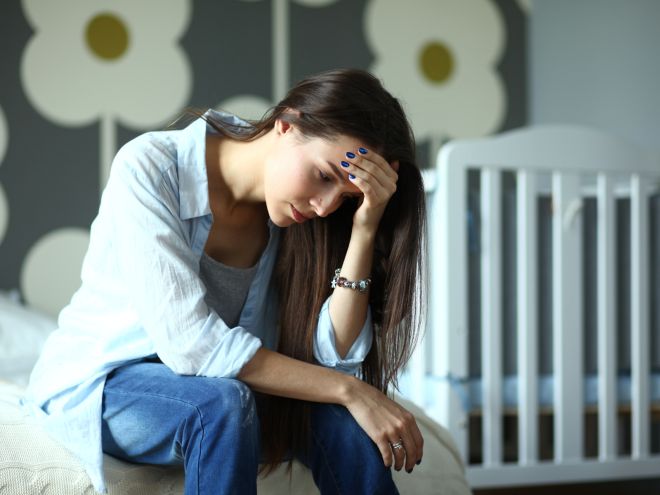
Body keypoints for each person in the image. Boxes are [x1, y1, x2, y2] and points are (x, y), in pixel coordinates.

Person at [23, 68, 427, 494]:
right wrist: (352, 390)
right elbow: (191, 345)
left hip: (232, 389)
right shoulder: (152, 167)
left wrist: (364, 227)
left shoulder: (305, 219)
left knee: (344, 423)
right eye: (325, 175)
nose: (326, 206)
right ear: (287, 124)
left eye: (346, 197)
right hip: (110, 385)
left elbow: (333, 359)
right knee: (222, 403)